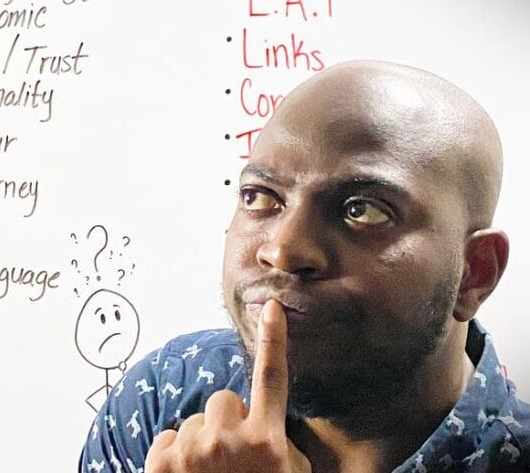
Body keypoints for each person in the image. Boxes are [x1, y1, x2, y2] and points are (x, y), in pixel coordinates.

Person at [79, 61, 529, 472]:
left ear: (474, 273)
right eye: (260, 197)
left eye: (363, 210)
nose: (283, 250)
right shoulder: (164, 398)